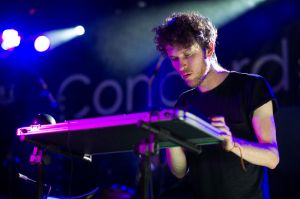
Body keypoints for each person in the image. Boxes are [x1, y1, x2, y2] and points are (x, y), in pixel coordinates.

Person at [152, 12, 279, 199]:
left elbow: (272, 157)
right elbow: (180, 171)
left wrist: (233, 143)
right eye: (174, 58)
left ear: (209, 48)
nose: (181, 66)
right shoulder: (184, 103)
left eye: (188, 54)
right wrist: (170, 140)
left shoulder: (252, 87)